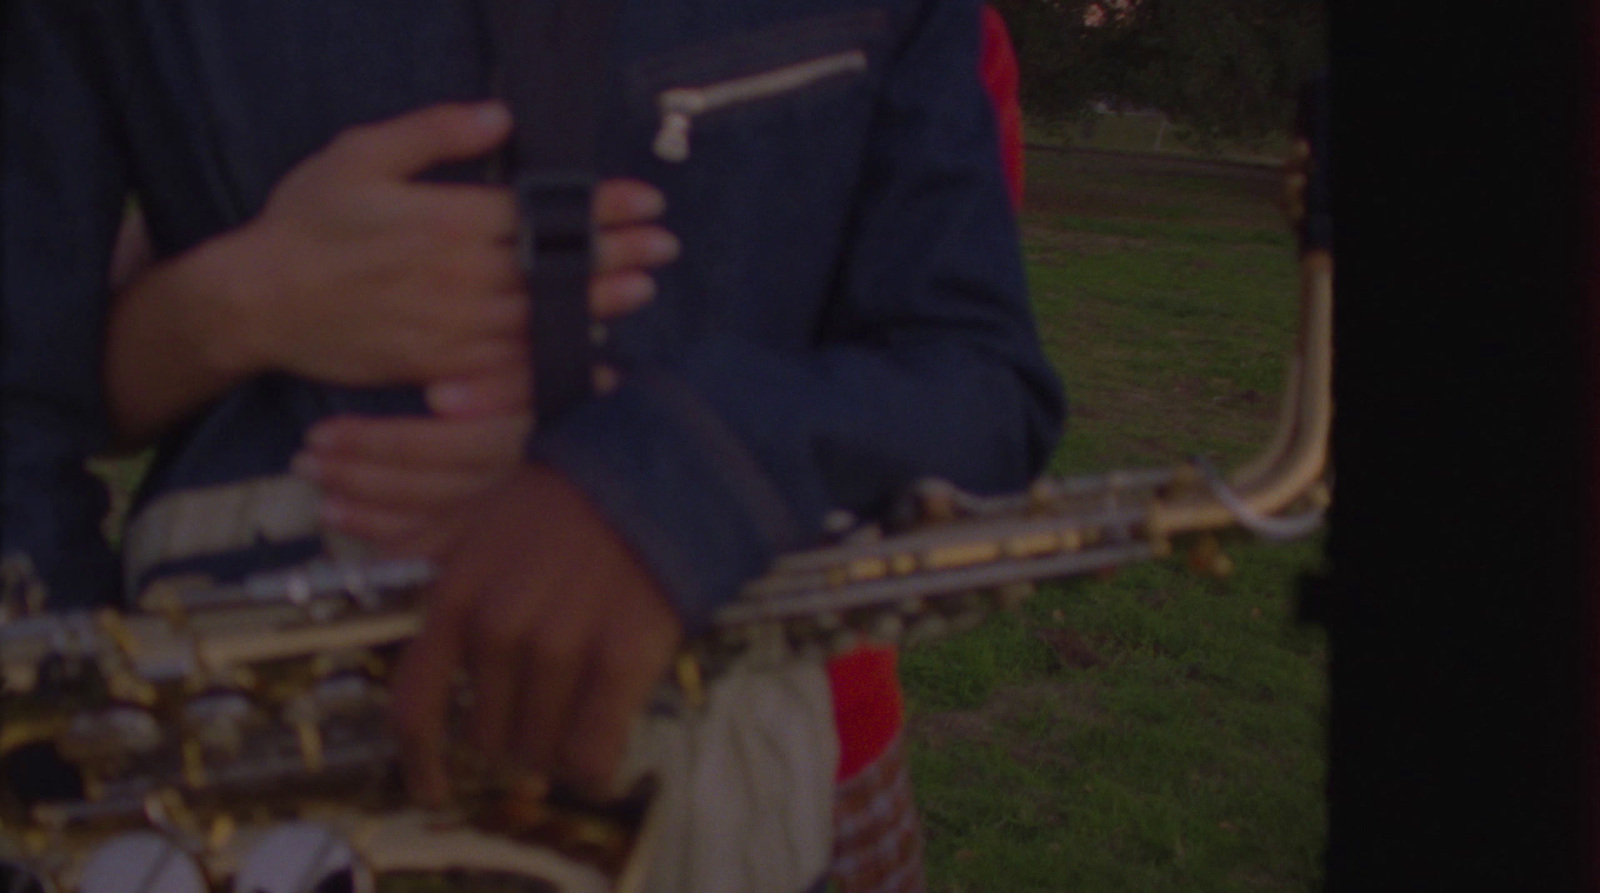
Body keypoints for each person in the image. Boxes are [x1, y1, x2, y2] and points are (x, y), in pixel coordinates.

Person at [3, 2, 1063, 891]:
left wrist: (669, 475)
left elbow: (977, 381)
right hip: (227, 767)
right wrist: (61, 770)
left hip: (730, 752)